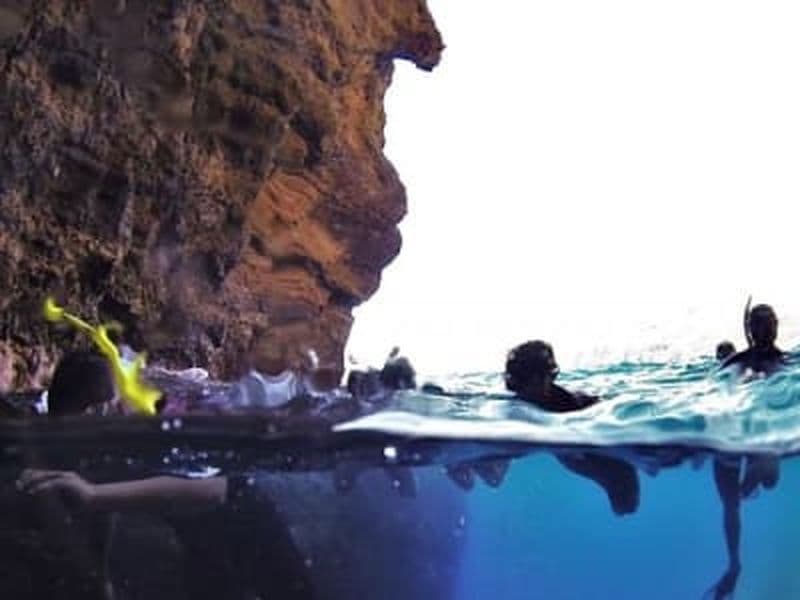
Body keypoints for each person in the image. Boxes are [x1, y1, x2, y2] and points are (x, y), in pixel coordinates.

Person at [19, 350, 316, 599]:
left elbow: (215, 489)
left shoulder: (155, 428)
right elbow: (105, 506)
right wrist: (103, 579)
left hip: (246, 520)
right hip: (201, 545)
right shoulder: (99, 449)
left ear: (101, 409)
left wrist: (94, 496)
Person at [504, 340, 640, 516]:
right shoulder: (524, 396)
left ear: (544, 378)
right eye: (516, 381)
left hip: (599, 457)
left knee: (626, 506)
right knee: (626, 505)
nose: (518, 389)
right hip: (578, 455)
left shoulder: (571, 406)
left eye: (522, 381)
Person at [708, 303, 785, 599]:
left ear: (776, 326)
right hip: (729, 432)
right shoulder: (735, 362)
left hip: (760, 433)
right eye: (758, 324)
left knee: (769, 479)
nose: (764, 330)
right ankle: (734, 564)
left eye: (768, 323)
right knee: (731, 503)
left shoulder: (784, 361)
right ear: (750, 330)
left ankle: (746, 487)